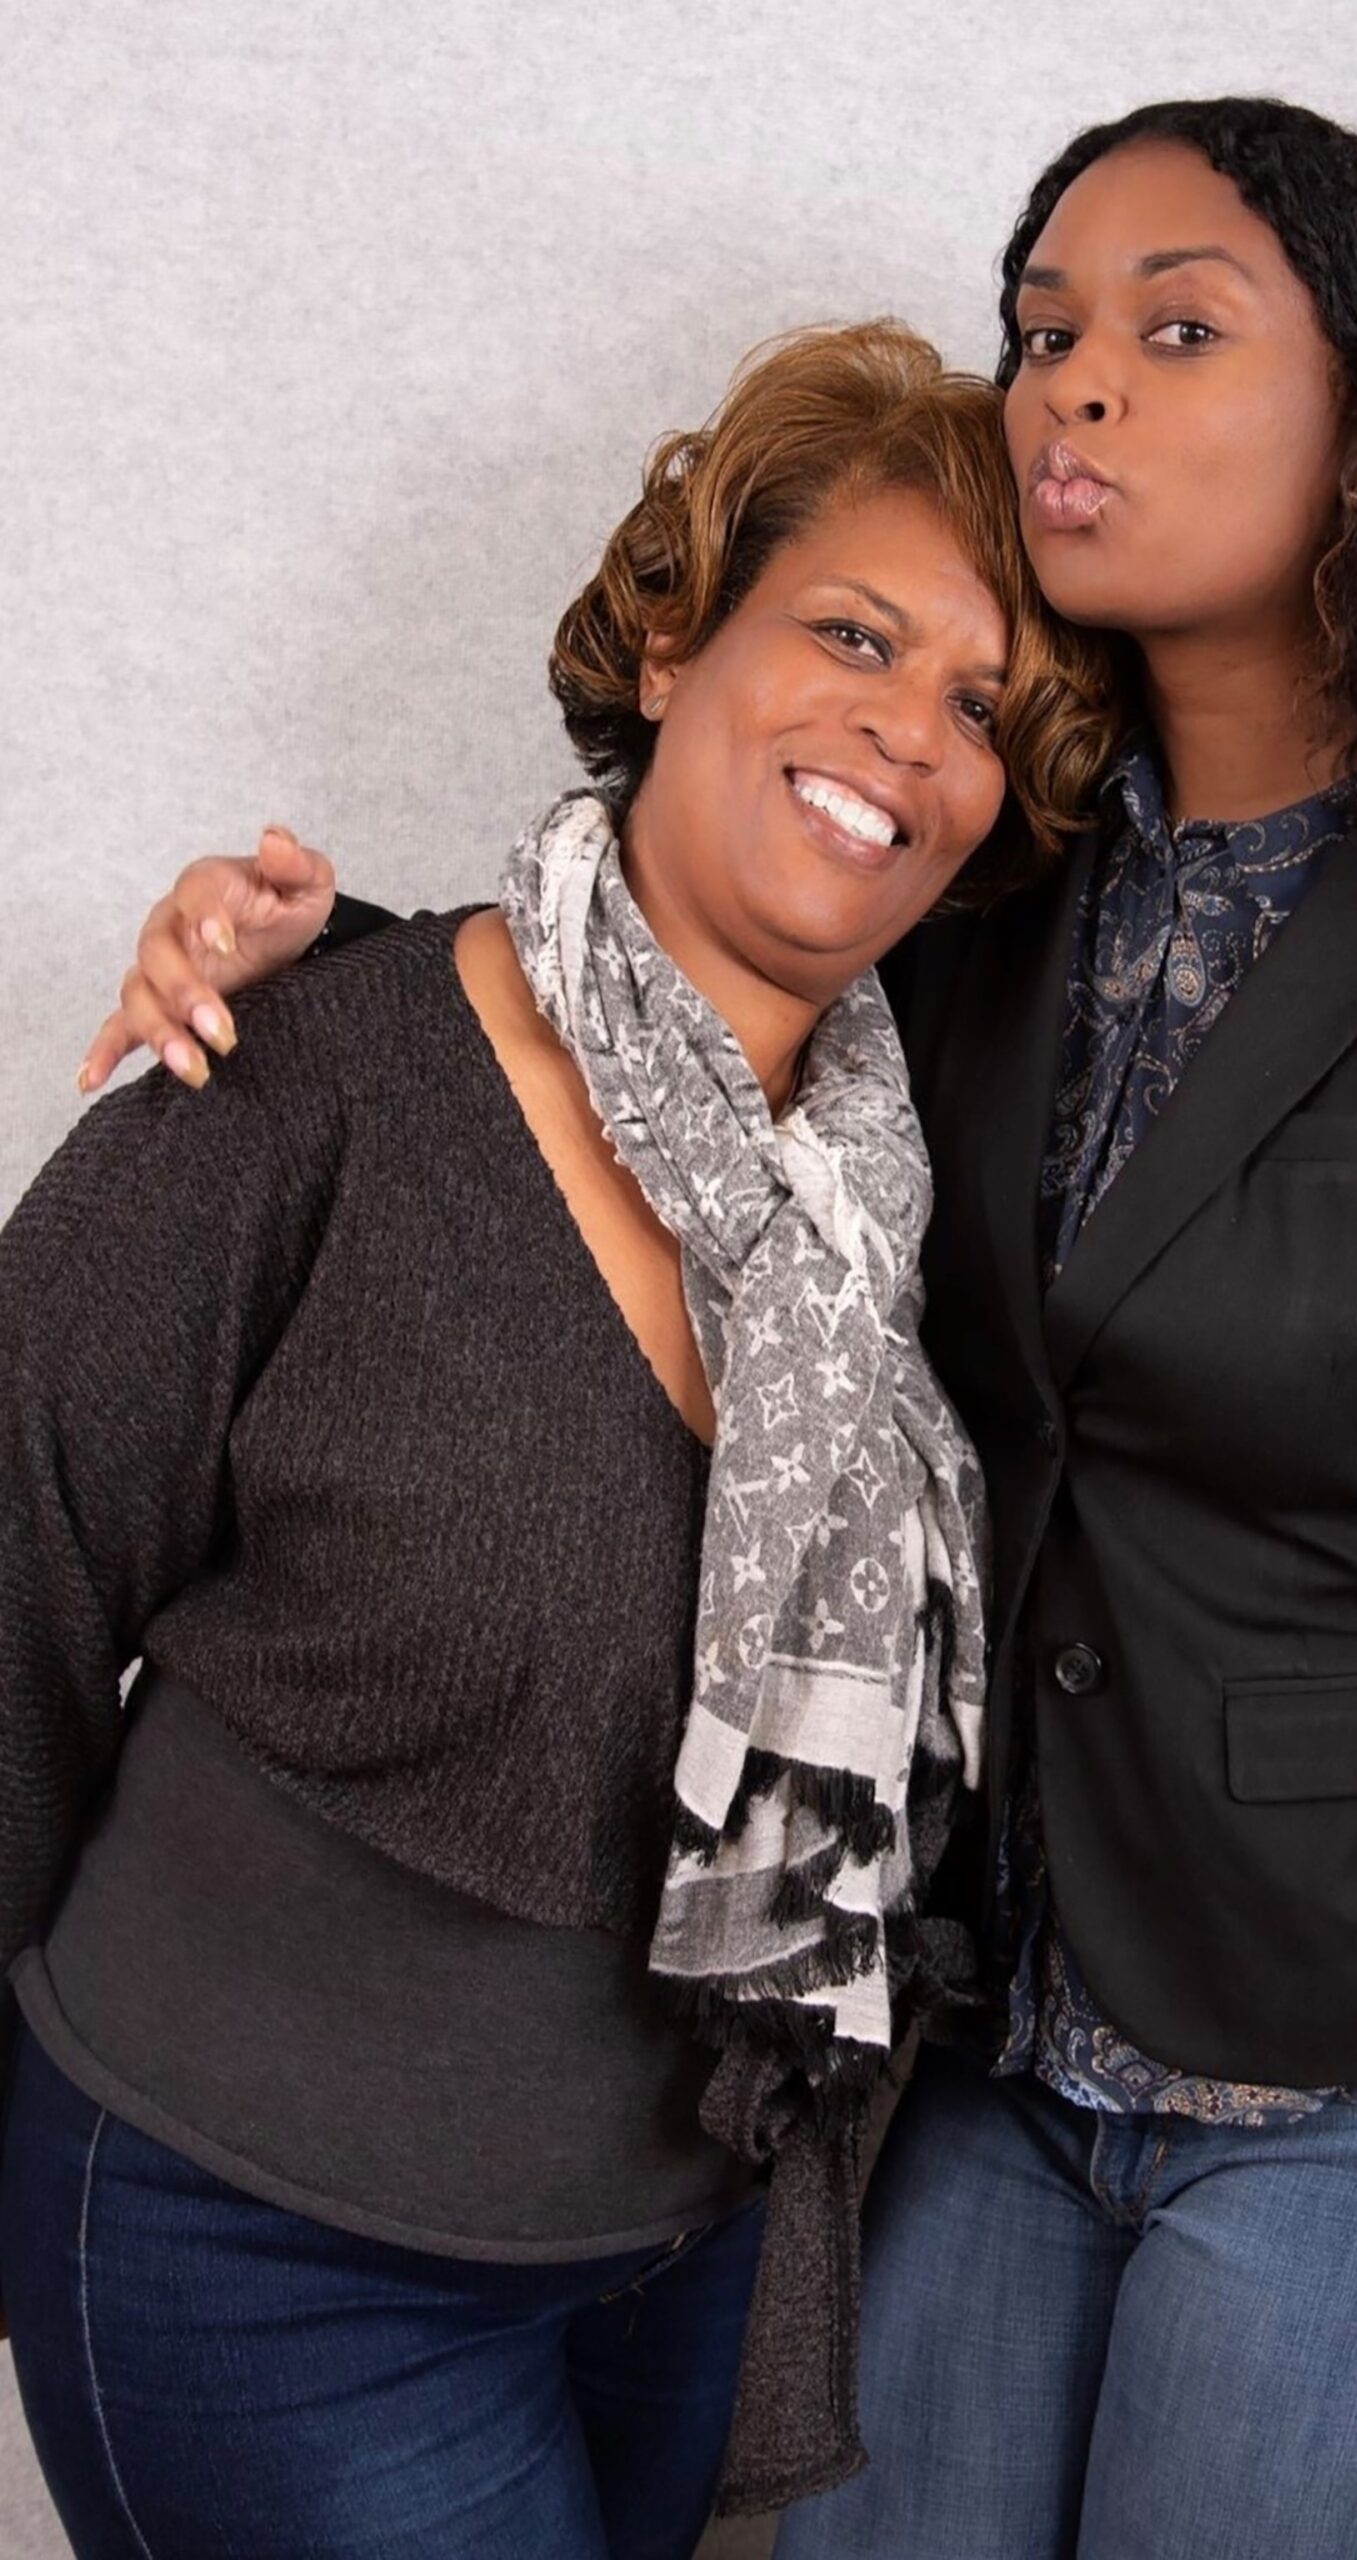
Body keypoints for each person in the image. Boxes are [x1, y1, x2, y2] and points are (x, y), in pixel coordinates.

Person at [82, 99, 1357, 2560]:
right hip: (974, 2046)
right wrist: (309, 973)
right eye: (1044, 335)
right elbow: (662, 1027)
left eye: (1175, 327)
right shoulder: (978, 903)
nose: (1075, 385)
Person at [0, 319, 1118, 2560]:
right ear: (677, 626)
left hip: (686, 2268)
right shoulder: (309, 1069)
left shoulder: (905, 1212)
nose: (908, 730)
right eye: (853, 632)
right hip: (263, 2253)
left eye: (980, 706)